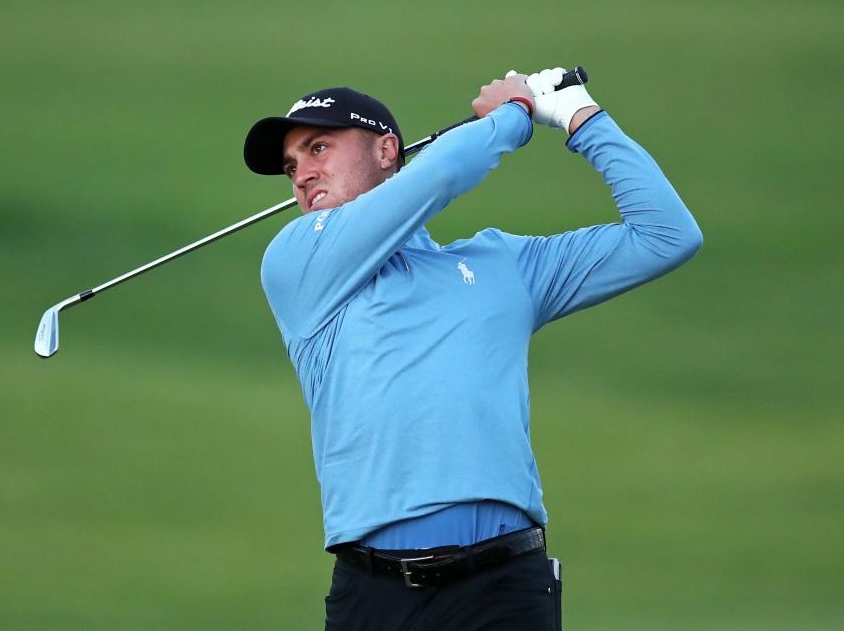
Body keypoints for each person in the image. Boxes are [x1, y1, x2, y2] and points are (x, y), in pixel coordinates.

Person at [242, 67, 702, 630]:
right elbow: (439, 176)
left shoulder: (503, 266)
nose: (302, 174)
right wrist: (513, 115)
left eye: (318, 148)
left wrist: (582, 116)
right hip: (375, 595)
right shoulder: (297, 262)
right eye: (291, 166)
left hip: (503, 588)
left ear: (387, 150)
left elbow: (666, 235)